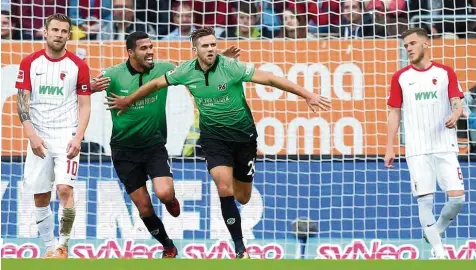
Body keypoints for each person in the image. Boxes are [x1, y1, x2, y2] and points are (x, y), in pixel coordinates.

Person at [105, 26, 331, 259]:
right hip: (213, 139)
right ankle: (240, 249)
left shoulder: (231, 67)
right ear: (195, 50)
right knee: (224, 187)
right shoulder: (185, 72)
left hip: (243, 139)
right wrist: (127, 100)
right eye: (206, 45)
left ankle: (239, 190)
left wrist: (307, 94)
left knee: (243, 196)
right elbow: (154, 85)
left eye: (214, 44)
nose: (211, 48)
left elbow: (271, 79)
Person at [90, 31, 242, 258]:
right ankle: (167, 245)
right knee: (144, 208)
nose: (150, 51)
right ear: (131, 53)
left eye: (151, 47)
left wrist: (221, 60)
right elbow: (89, 85)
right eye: (144, 48)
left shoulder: (163, 69)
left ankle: (171, 200)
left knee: (164, 193)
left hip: (153, 146)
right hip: (123, 150)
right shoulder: (114, 74)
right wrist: (91, 86)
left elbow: (194, 70)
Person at [15, 13, 92, 258]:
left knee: (64, 189)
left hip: (65, 136)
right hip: (38, 137)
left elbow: (84, 105)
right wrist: (32, 136)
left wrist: (78, 136)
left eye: (64, 31)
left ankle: (63, 246)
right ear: (45, 32)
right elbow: (21, 104)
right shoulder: (29, 62)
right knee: (40, 195)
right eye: (55, 30)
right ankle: (49, 247)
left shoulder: (78, 65)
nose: (59, 35)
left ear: (69, 35)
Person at [385, 27, 466, 259]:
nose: (408, 48)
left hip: (444, 145)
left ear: (425, 44)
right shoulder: (400, 77)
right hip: (417, 149)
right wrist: (390, 146)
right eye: (405, 46)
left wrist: (455, 114)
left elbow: (457, 102)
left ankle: (435, 231)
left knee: (458, 198)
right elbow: (394, 113)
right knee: (425, 201)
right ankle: (439, 252)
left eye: (411, 44)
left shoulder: (445, 72)